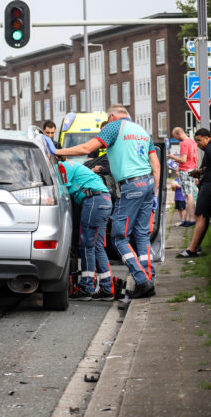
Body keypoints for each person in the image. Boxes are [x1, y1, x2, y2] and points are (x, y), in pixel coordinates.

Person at [47, 104, 159, 299]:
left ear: (113, 116)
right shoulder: (141, 130)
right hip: (148, 183)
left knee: (118, 237)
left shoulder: (114, 126)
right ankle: (149, 279)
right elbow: (156, 166)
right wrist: (155, 194)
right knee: (141, 235)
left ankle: (141, 280)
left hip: (131, 186)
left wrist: (56, 152)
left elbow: (87, 148)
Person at [50, 144, 115, 301]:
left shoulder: (62, 167)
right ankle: (107, 288)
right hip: (103, 200)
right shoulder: (70, 165)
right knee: (97, 245)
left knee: (86, 244)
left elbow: (59, 191)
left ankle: (86, 288)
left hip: (94, 200)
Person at [176, 128, 211, 258]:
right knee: (203, 217)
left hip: (209, 187)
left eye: (199, 141)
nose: (197, 144)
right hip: (209, 184)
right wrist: (198, 172)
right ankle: (196, 246)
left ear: (207, 137)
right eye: (196, 141)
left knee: (200, 217)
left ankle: (192, 250)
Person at [167, 127, 198, 227]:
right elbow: (194, 158)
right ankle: (188, 219)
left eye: (175, 136)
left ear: (178, 134)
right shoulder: (192, 142)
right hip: (192, 170)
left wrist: (172, 157)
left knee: (188, 195)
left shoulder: (184, 143)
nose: (175, 139)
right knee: (190, 195)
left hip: (185, 171)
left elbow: (183, 160)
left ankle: (192, 219)